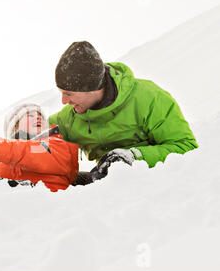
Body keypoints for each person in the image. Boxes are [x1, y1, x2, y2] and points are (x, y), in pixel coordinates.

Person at [49, 41, 198, 180]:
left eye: (69, 94)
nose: (64, 101)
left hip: (156, 182)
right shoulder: (71, 116)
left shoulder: (149, 99)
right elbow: (36, 136)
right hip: (105, 188)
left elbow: (186, 147)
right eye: (61, 93)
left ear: (92, 89)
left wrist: (133, 157)